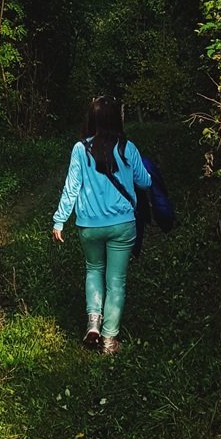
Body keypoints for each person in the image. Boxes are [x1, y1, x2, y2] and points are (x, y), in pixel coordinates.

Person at [52, 93, 152, 354]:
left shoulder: (79, 149)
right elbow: (145, 182)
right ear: (117, 119)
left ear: (93, 119)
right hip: (122, 225)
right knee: (116, 280)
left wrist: (59, 220)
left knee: (94, 269)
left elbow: (71, 188)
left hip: (89, 226)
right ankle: (109, 339)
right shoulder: (127, 148)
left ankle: (93, 322)